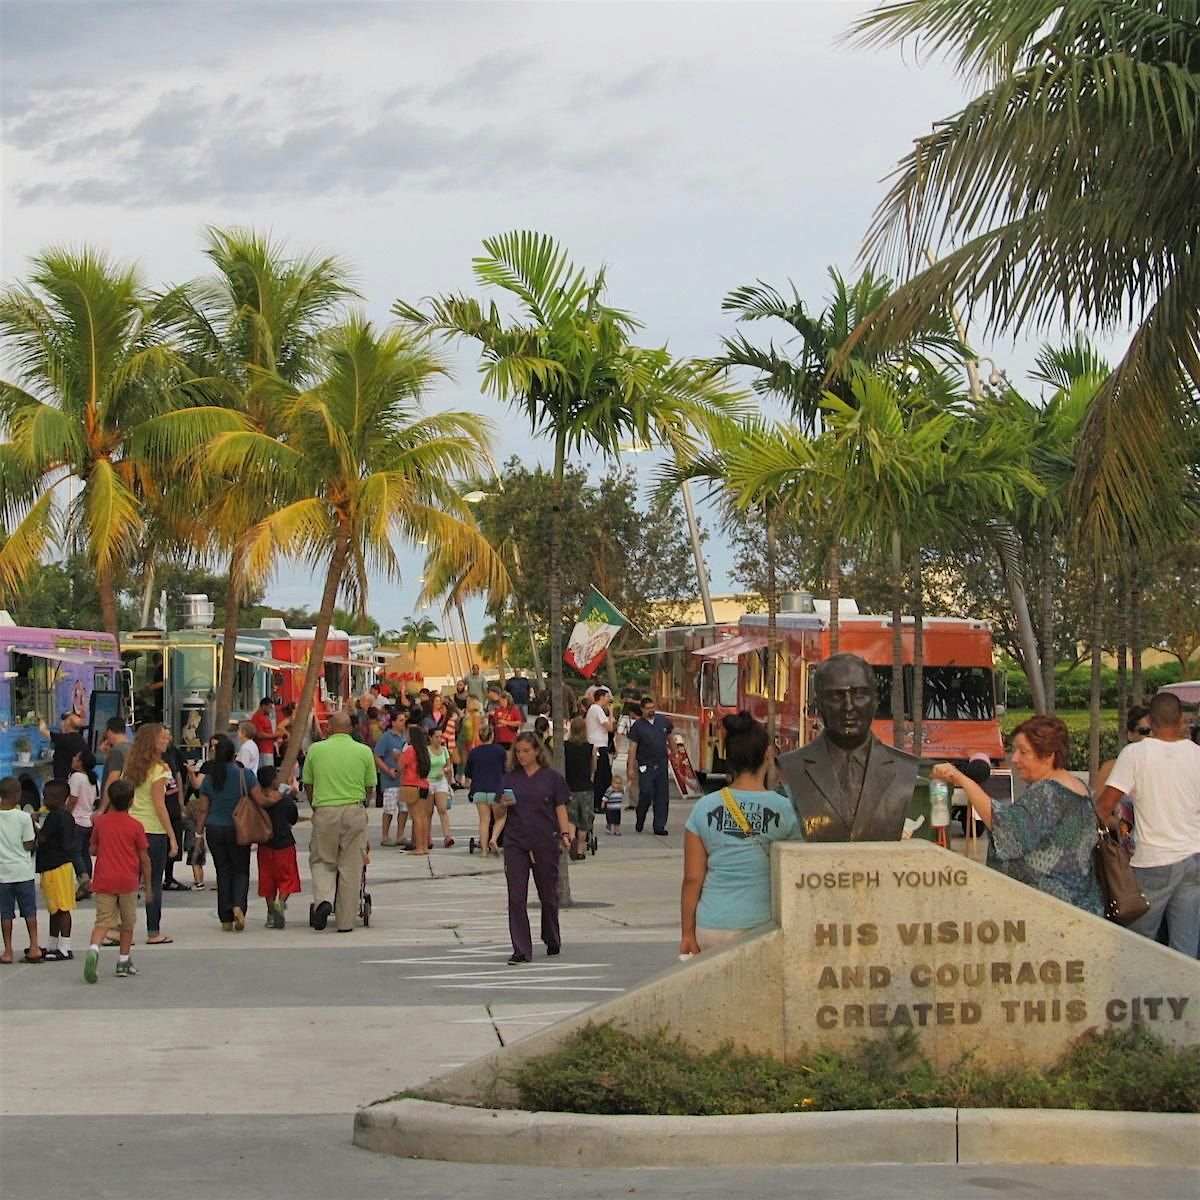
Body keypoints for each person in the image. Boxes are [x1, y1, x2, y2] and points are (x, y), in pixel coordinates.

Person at [932, 715, 1103, 915]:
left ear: (1049, 756)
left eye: (1023, 752)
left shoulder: (1047, 793)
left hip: (1051, 913)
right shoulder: (1078, 787)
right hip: (1081, 905)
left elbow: (1008, 830)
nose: (1014, 759)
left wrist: (961, 778)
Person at [681, 712, 802, 954]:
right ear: (768, 754)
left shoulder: (704, 808)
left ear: (729, 756)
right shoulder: (786, 811)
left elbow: (693, 878)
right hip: (762, 924)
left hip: (712, 925)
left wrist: (687, 933)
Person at [777, 653, 922, 842]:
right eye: (836, 695)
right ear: (819, 704)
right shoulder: (793, 766)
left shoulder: (904, 767)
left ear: (875, 702)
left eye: (859, 694)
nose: (849, 706)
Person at [1097, 691, 1200, 956]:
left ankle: (1140, 995)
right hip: (1193, 859)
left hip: (1152, 861)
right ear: (1181, 721)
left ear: (1151, 722)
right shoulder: (1196, 754)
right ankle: (1184, 995)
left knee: (1138, 946)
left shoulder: (1135, 754)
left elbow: (1105, 805)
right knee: (1186, 947)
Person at [499, 732, 571, 964]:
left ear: (537, 752)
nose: (521, 755)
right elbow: (499, 813)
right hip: (516, 841)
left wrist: (565, 833)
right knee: (517, 897)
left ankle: (551, 936)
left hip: (545, 841)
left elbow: (560, 807)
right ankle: (521, 949)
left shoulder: (552, 778)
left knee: (548, 896)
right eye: (518, 751)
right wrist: (502, 805)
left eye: (526, 751)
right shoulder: (510, 779)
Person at [302, 710, 375, 932]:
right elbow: (370, 786)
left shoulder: (315, 750)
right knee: (351, 865)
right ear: (351, 728)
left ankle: (324, 900)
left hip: (325, 810)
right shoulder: (364, 752)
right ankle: (345, 922)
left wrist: (316, 805)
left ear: (329, 728)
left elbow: (308, 782)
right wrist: (362, 804)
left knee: (322, 859)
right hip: (354, 809)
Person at [83, 779, 152, 982]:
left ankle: (94, 949)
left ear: (110, 800)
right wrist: (148, 886)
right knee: (127, 923)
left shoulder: (101, 822)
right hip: (127, 881)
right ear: (131, 802)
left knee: (103, 920)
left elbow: (93, 849)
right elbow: (144, 859)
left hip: (104, 879)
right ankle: (123, 962)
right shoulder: (136, 826)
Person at [194, 735, 263, 932]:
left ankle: (225, 918)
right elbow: (259, 799)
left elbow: (203, 809)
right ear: (234, 755)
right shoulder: (245, 775)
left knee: (223, 872)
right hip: (238, 827)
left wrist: (199, 835)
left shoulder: (209, 779)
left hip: (215, 828)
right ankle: (238, 906)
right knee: (241, 870)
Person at [124, 724, 178, 945]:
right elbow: (159, 805)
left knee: (130, 882)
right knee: (153, 881)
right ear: (153, 742)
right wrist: (172, 836)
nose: (167, 741)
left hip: (132, 827)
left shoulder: (130, 768)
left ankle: (120, 927)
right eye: (163, 738)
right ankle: (153, 930)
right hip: (153, 831)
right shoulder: (159, 770)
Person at [1093, 706, 1151, 857]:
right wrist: (1121, 826)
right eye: (1144, 731)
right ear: (1130, 735)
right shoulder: (1111, 768)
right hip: (1124, 852)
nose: (1150, 736)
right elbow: (1096, 811)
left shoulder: (1165, 768)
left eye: (1154, 732)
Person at [0, 775, 43, 963]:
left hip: (3, 873)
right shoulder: (24, 817)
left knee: (6, 914)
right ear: (17, 795)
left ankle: (8, 950)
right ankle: (34, 946)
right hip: (23, 872)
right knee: (29, 911)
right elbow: (28, 845)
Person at [36, 778, 77, 960]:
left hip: (56, 866)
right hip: (59, 866)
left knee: (62, 907)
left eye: (47, 797)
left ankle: (65, 947)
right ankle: (53, 945)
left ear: (58, 798)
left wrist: (32, 824)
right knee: (55, 908)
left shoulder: (55, 816)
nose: (44, 800)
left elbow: (42, 838)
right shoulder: (66, 814)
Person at [256, 765, 300, 929]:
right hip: (285, 844)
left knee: (267, 881)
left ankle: (270, 916)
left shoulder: (259, 801)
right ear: (274, 781)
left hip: (265, 845)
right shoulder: (285, 800)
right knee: (288, 878)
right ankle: (280, 902)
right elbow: (293, 818)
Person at [628, 695, 674, 836]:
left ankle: (659, 825)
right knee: (646, 792)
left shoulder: (662, 721)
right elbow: (633, 748)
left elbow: (670, 737)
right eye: (648, 709)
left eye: (653, 707)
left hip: (661, 763)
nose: (651, 710)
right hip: (645, 765)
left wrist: (675, 754)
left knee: (662, 795)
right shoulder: (637, 726)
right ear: (642, 710)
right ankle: (640, 816)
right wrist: (630, 767)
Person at [465, 724, 509, 858]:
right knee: (500, 817)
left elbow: (468, 772)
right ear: (492, 736)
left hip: (479, 790)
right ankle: (494, 839)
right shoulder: (500, 751)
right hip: (495, 789)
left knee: (484, 820)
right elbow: (506, 769)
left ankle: (484, 850)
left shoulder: (474, 752)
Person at [68, 748, 99, 897]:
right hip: (88, 820)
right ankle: (88, 884)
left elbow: (73, 799)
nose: (73, 758)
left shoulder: (76, 777)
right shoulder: (92, 779)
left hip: (76, 819)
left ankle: (84, 880)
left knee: (74, 852)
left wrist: (66, 813)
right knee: (85, 853)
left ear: (81, 763)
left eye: (76, 757)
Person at [400, 724, 433, 858]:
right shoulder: (423, 750)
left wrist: (398, 756)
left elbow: (400, 766)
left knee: (416, 817)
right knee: (423, 817)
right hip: (424, 785)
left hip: (412, 785)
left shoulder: (410, 750)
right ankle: (424, 846)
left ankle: (419, 847)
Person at [563, 716, 594, 860]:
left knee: (571, 817)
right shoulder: (589, 747)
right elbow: (594, 767)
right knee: (584, 819)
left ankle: (571, 841)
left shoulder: (565, 746)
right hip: (586, 787)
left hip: (570, 787)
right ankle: (581, 849)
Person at [373, 718, 408, 847]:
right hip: (390, 781)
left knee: (404, 809)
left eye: (404, 720)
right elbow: (377, 756)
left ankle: (400, 835)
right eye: (400, 720)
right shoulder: (386, 737)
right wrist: (387, 770)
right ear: (393, 722)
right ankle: (385, 836)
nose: (403, 722)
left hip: (404, 780)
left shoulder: (404, 738)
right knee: (389, 809)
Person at [585, 688, 614, 815]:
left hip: (594, 743)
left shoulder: (592, 709)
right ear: (601, 697)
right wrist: (611, 713)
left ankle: (598, 802)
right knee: (603, 776)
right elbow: (609, 727)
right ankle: (598, 803)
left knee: (601, 775)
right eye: (607, 697)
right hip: (599, 745)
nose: (608, 699)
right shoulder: (598, 709)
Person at [39, 710, 88, 781]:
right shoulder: (81, 740)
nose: (62, 723)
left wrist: (41, 719)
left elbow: (43, 730)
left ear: (67, 723)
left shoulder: (64, 739)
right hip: (75, 778)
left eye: (64, 721)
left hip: (65, 779)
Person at [427, 727, 455, 848]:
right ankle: (428, 837)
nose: (439, 739)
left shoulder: (444, 750)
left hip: (440, 781)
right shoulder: (427, 750)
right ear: (431, 738)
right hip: (429, 781)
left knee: (442, 809)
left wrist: (445, 771)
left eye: (441, 737)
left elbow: (449, 766)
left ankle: (447, 836)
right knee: (428, 812)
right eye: (436, 737)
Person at [98, 717, 129, 813]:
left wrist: (102, 809)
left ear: (109, 732)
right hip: (128, 803)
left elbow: (112, 779)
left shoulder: (116, 751)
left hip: (114, 806)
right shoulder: (134, 748)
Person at [251, 697, 279, 767]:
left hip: (269, 748)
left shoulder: (266, 717)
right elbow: (259, 734)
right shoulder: (257, 717)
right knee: (266, 770)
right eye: (270, 707)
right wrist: (274, 735)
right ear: (263, 706)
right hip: (263, 749)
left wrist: (275, 737)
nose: (271, 710)